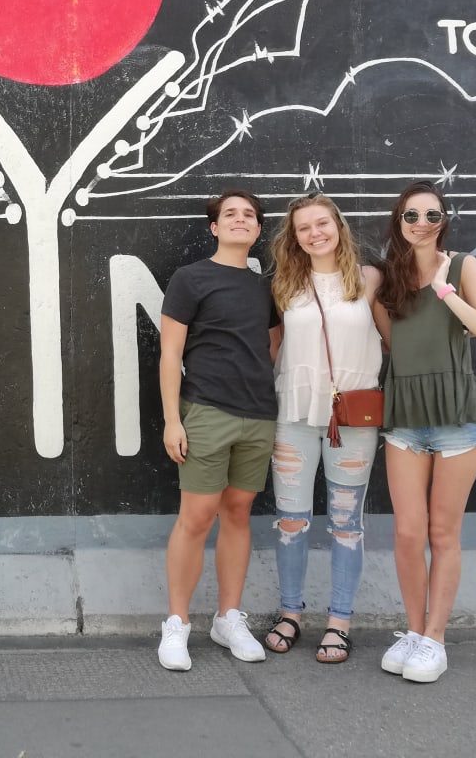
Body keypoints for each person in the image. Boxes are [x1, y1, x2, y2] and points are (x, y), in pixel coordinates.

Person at [374, 181, 476, 684]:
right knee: (407, 533)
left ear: (443, 220)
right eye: (411, 217)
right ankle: (413, 631)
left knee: (443, 533)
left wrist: (448, 293)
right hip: (404, 416)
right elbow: (393, 345)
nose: (422, 224)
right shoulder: (388, 279)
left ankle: (435, 639)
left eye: (432, 215)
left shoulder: (463, 265)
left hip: (457, 418)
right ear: (398, 223)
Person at [157, 189, 282, 671]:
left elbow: (270, 346)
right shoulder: (190, 279)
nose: (239, 220)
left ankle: (228, 618)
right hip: (206, 412)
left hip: (258, 415)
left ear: (256, 230)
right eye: (229, 214)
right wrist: (173, 420)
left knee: (237, 512)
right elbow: (170, 354)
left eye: (249, 215)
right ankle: (177, 624)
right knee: (197, 516)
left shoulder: (263, 288)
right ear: (214, 227)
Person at [262, 193, 384, 664]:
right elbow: (271, 350)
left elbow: (393, 340)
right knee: (291, 523)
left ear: (338, 225)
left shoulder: (369, 279)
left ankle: (339, 621)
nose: (315, 233)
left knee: (346, 526)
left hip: (351, 419)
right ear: (293, 238)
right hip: (292, 416)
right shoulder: (284, 285)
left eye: (322, 223)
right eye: (304, 228)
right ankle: (290, 613)